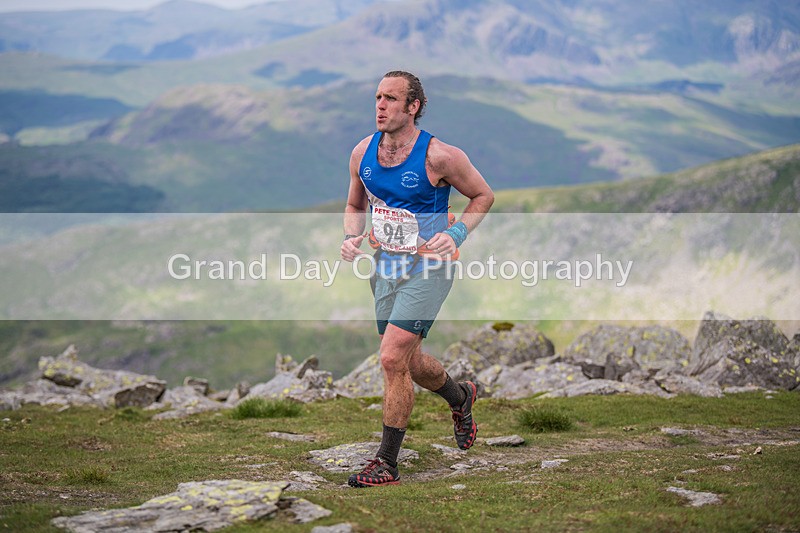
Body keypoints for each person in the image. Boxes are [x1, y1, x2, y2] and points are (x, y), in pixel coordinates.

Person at [340, 70, 494, 487]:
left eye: (391, 99)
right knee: (407, 361)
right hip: (386, 267)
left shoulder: (439, 156)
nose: (381, 106)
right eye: (377, 97)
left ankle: (386, 463)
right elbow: (355, 203)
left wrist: (455, 233)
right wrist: (352, 238)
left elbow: (483, 195)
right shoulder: (362, 152)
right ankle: (461, 397)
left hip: (430, 267)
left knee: (391, 358)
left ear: (414, 107)